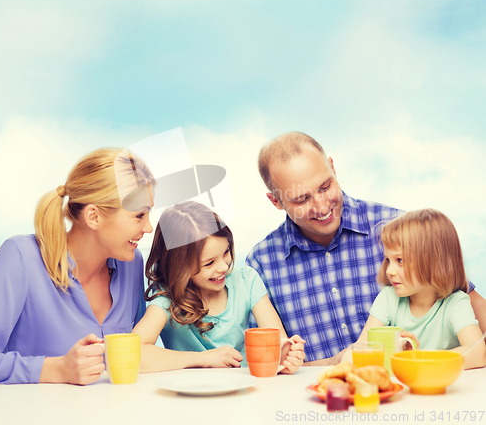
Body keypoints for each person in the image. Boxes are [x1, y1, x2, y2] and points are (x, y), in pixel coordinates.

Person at [246, 132, 486, 365]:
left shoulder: (398, 230)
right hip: (316, 397)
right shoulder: (261, 264)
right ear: (275, 201)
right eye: (302, 199)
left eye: (325, 187)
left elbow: (463, 299)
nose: (321, 206)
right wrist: (332, 364)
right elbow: (265, 363)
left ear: (333, 167)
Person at [0, 148, 155, 384]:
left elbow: (139, 355)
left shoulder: (131, 264)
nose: (148, 228)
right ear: (94, 217)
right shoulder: (20, 257)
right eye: (139, 216)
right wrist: (55, 369)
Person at [132, 200, 305, 373]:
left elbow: (278, 341)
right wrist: (203, 359)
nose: (223, 267)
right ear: (179, 267)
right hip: (190, 396)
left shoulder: (246, 281)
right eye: (209, 263)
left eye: (226, 252)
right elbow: (133, 354)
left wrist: (286, 358)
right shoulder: (167, 298)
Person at [346, 209, 486, 370]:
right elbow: (362, 347)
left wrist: (419, 359)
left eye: (399, 260)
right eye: (388, 260)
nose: (389, 270)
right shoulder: (388, 298)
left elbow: (478, 353)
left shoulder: (455, 303)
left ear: (434, 262)